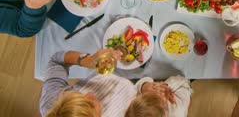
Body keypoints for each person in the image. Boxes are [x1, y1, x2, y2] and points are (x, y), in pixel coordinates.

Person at [40, 49, 192, 117]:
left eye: (78, 94)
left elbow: (56, 61)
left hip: (128, 81)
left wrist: (86, 60)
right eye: (92, 104)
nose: (91, 94)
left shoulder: (52, 106)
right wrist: (144, 92)